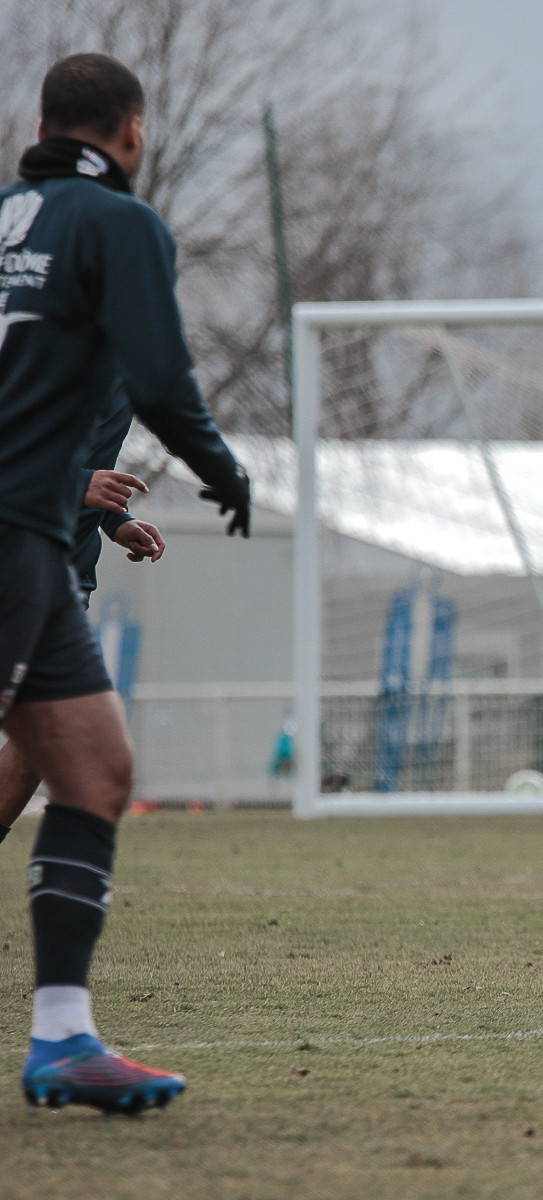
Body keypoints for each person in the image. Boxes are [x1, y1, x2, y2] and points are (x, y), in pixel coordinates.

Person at [0, 53, 250, 1114]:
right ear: (133, 134)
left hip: (42, 541)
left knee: (95, 767)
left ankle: (62, 1038)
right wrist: (220, 466)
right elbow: (159, 374)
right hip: (10, 536)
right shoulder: (120, 225)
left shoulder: (12, 218)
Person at [0, 387, 165, 837]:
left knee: (50, 735)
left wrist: (114, 519)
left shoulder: (119, 365)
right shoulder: (27, 341)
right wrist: (77, 484)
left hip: (62, 577)